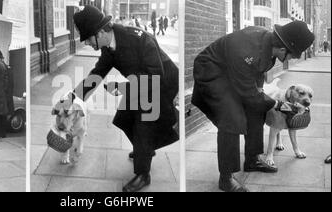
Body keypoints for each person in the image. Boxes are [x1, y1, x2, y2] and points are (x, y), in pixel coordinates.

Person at [191, 21, 315, 192]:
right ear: (283, 49)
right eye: (293, 54)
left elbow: (257, 79)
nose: (293, 58)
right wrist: (278, 104)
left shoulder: (269, 47)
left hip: (233, 73)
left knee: (257, 108)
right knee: (231, 117)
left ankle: (252, 159)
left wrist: (264, 97)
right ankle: (226, 178)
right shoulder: (247, 50)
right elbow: (248, 92)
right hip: (212, 72)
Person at [73, 5, 179, 192]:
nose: (87, 43)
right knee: (124, 118)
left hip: (163, 83)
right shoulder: (108, 48)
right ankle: (145, 149)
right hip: (140, 84)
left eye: (88, 38)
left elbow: (155, 76)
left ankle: (143, 174)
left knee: (143, 122)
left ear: (100, 32)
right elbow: (96, 75)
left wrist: (122, 87)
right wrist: (73, 98)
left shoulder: (138, 38)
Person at [0, 50, 15, 138]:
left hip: (3, 95)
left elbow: (6, 83)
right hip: (6, 96)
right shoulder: (7, 67)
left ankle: (0, 133)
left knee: (0, 116)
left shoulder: (2, 68)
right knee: (2, 116)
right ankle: (2, 133)